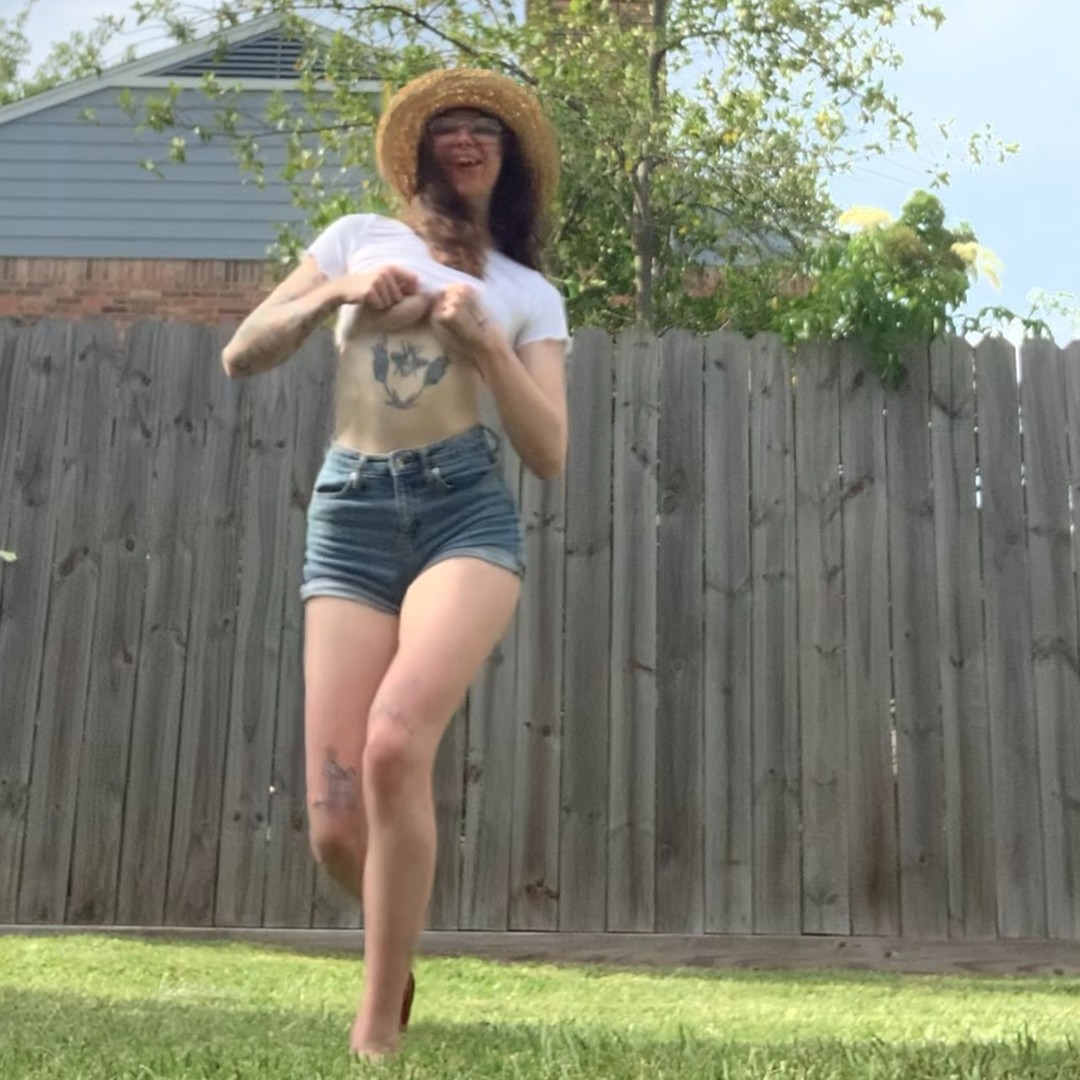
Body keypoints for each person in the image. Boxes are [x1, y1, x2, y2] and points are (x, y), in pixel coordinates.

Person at [220, 68, 569, 1059]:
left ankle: (374, 1032)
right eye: (447, 127)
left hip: (464, 510)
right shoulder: (354, 237)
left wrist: (484, 346)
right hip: (352, 512)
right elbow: (243, 351)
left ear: (508, 159)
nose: (466, 140)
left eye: (485, 129)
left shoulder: (529, 293)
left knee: (391, 744)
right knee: (334, 822)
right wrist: (334, 291)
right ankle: (395, 954)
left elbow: (549, 451)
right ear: (420, 151)